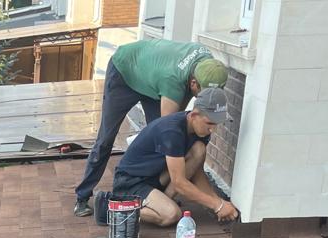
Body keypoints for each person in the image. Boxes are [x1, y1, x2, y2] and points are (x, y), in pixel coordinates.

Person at [73, 39, 228, 217]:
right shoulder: (173, 82)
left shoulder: (211, 70)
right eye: (203, 94)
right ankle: (82, 196)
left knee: (166, 145)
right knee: (106, 139)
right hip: (125, 70)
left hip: (154, 79)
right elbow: (170, 131)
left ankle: (158, 198)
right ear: (193, 83)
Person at [108, 87, 240, 228]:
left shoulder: (200, 131)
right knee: (171, 214)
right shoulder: (172, 131)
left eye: (217, 123)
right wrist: (217, 205)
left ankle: (160, 202)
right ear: (194, 115)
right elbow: (179, 183)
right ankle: (115, 209)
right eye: (210, 123)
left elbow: (197, 174)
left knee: (198, 149)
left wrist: (219, 202)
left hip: (155, 177)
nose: (213, 129)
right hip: (131, 182)